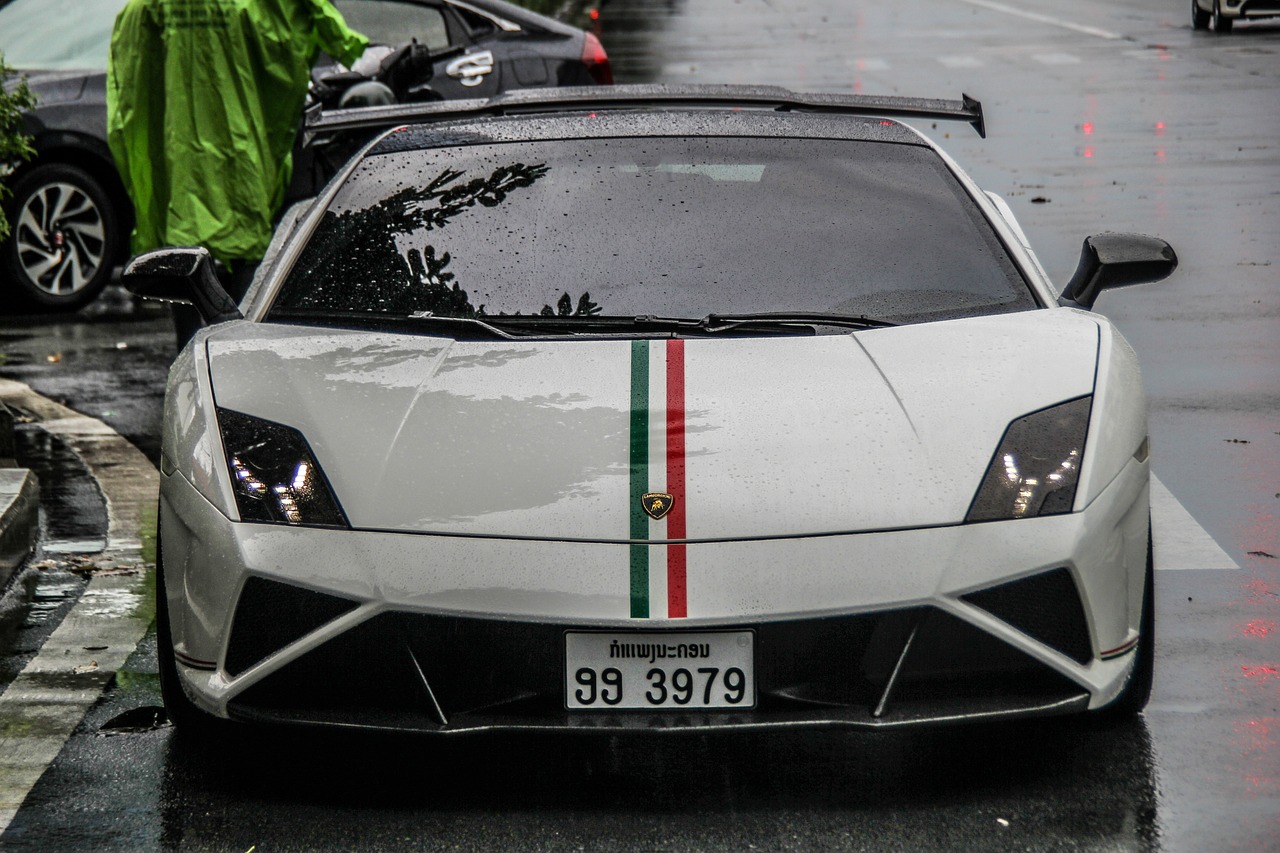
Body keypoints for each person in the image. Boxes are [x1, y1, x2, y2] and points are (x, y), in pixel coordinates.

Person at [106, 0, 367, 342]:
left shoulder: (151, 5)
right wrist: (351, 48)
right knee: (247, 256)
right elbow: (290, 35)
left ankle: (193, 357)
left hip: (179, 160)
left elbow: (129, 76)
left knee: (184, 259)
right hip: (238, 153)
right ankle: (240, 351)